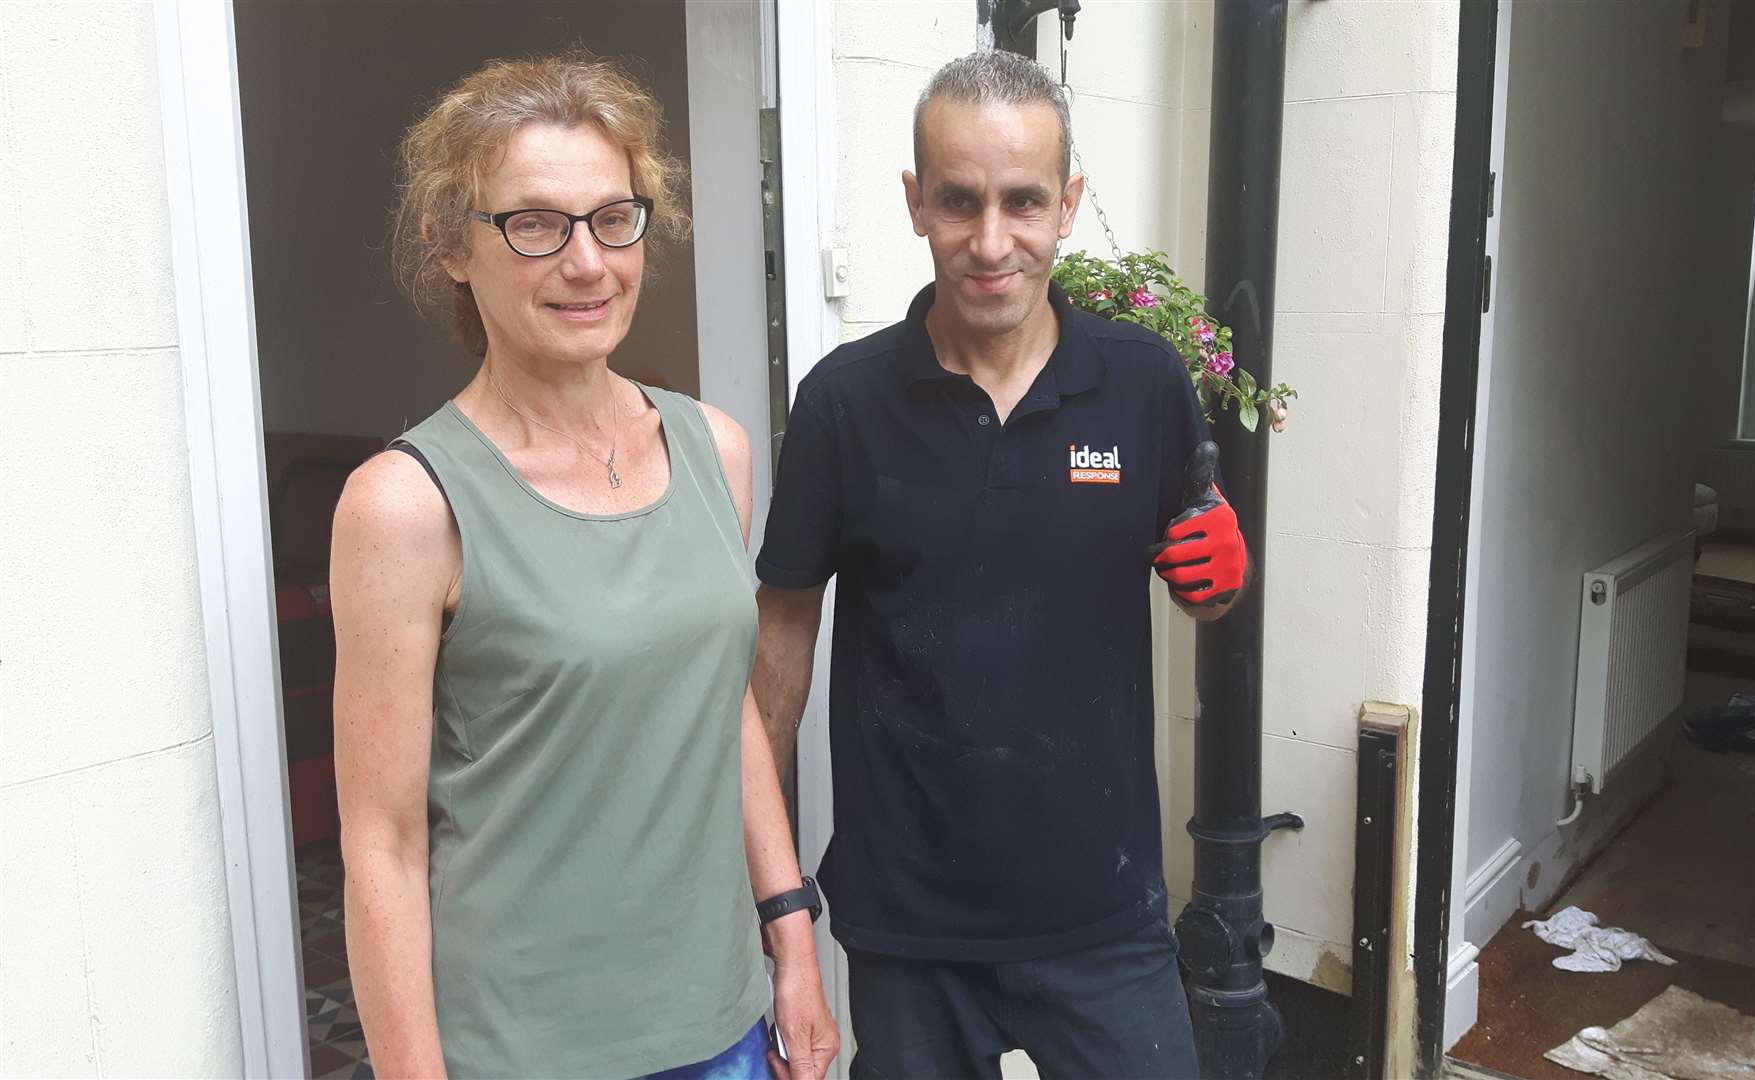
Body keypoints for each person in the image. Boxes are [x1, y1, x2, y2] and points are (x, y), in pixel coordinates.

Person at [331, 54, 837, 1079]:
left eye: (614, 218)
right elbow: (380, 845)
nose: (587, 263)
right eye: (534, 224)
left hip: (724, 1025)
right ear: (453, 251)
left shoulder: (715, 450)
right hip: (524, 1049)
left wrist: (790, 935)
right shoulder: (407, 503)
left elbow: (720, 706)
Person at [752, 49, 1250, 1080]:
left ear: (1068, 206)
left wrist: (1224, 582)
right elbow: (784, 631)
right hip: (909, 920)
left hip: (1102, 907)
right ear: (914, 203)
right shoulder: (844, 405)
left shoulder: (1143, 385)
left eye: (1023, 202)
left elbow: (1204, 580)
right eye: (957, 201)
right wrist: (773, 886)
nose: (990, 242)